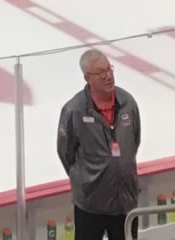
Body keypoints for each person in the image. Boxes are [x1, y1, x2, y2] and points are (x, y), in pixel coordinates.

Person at [58, 49, 141, 240]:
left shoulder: (128, 103)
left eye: (109, 69)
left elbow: (134, 142)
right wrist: (87, 180)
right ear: (87, 78)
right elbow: (65, 153)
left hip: (124, 202)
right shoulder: (74, 111)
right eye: (101, 72)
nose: (108, 76)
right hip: (90, 206)